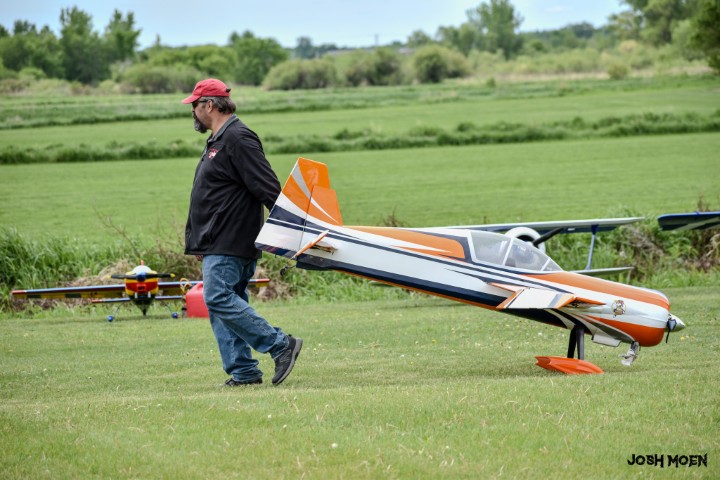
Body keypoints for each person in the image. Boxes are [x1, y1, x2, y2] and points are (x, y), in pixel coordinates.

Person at [182, 78, 302, 386]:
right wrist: (200, 242)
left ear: (209, 105)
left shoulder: (237, 138)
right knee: (224, 302)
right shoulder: (219, 140)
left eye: (194, 105)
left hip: (230, 238)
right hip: (216, 241)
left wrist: (292, 229)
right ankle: (244, 371)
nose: (192, 111)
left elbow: (267, 186)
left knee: (218, 296)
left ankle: (280, 345)